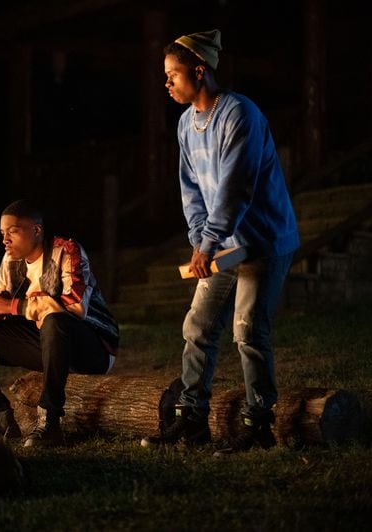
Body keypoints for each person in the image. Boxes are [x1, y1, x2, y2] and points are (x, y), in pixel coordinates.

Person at [141, 30, 299, 454]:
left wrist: (207, 243)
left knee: (247, 329)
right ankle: (190, 417)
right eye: (165, 76)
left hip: (263, 241)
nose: (167, 83)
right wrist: (200, 238)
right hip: (222, 245)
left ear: (200, 71)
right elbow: (190, 188)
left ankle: (258, 423)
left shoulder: (240, 114)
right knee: (198, 325)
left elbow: (235, 188)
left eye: (173, 74)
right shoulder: (185, 125)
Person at [0, 199, 119, 448]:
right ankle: (1, 417)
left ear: (36, 230)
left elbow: (75, 306)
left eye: (13, 231)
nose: (5, 240)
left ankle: (50, 421)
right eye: (2, 233)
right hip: (48, 345)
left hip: (91, 348)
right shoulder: (11, 261)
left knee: (54, 320)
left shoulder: (66, 251)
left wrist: (12, 307)